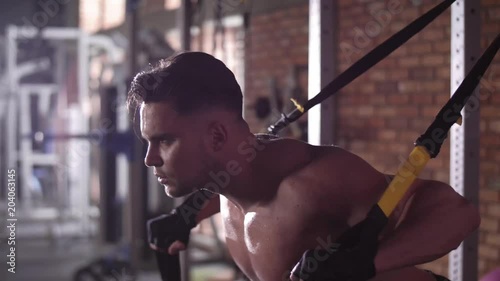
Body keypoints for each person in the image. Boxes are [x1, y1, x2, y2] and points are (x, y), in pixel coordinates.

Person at [127, 51, 480, 281]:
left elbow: (457, 213)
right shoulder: (230, 185)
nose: (150, 159)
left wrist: (366, 263)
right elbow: (241, 193)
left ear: (218, 136)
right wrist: (186, 216)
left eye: (164, 141)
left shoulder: (312, 181)